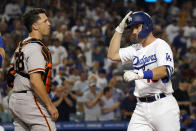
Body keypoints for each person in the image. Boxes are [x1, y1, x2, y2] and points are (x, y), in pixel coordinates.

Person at [107, 11, 180, 131]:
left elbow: (164, 70)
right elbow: (112, 55)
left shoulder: (160, 45)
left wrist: (140, 74)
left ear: (146, 25)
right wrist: (119, 29)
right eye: (132, 28)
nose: (134, 31)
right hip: (141, 107)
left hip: (163, 104)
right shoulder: (135, 49)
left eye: (137, 27)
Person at [8, 8, 58, 131]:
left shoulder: (21, 45)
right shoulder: (36, 48)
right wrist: (50, 105)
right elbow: (35, 81)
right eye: (45, 21)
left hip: (15, 99)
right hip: (30, 100)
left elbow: (10, 77)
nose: (49, 23)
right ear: (35, 26)